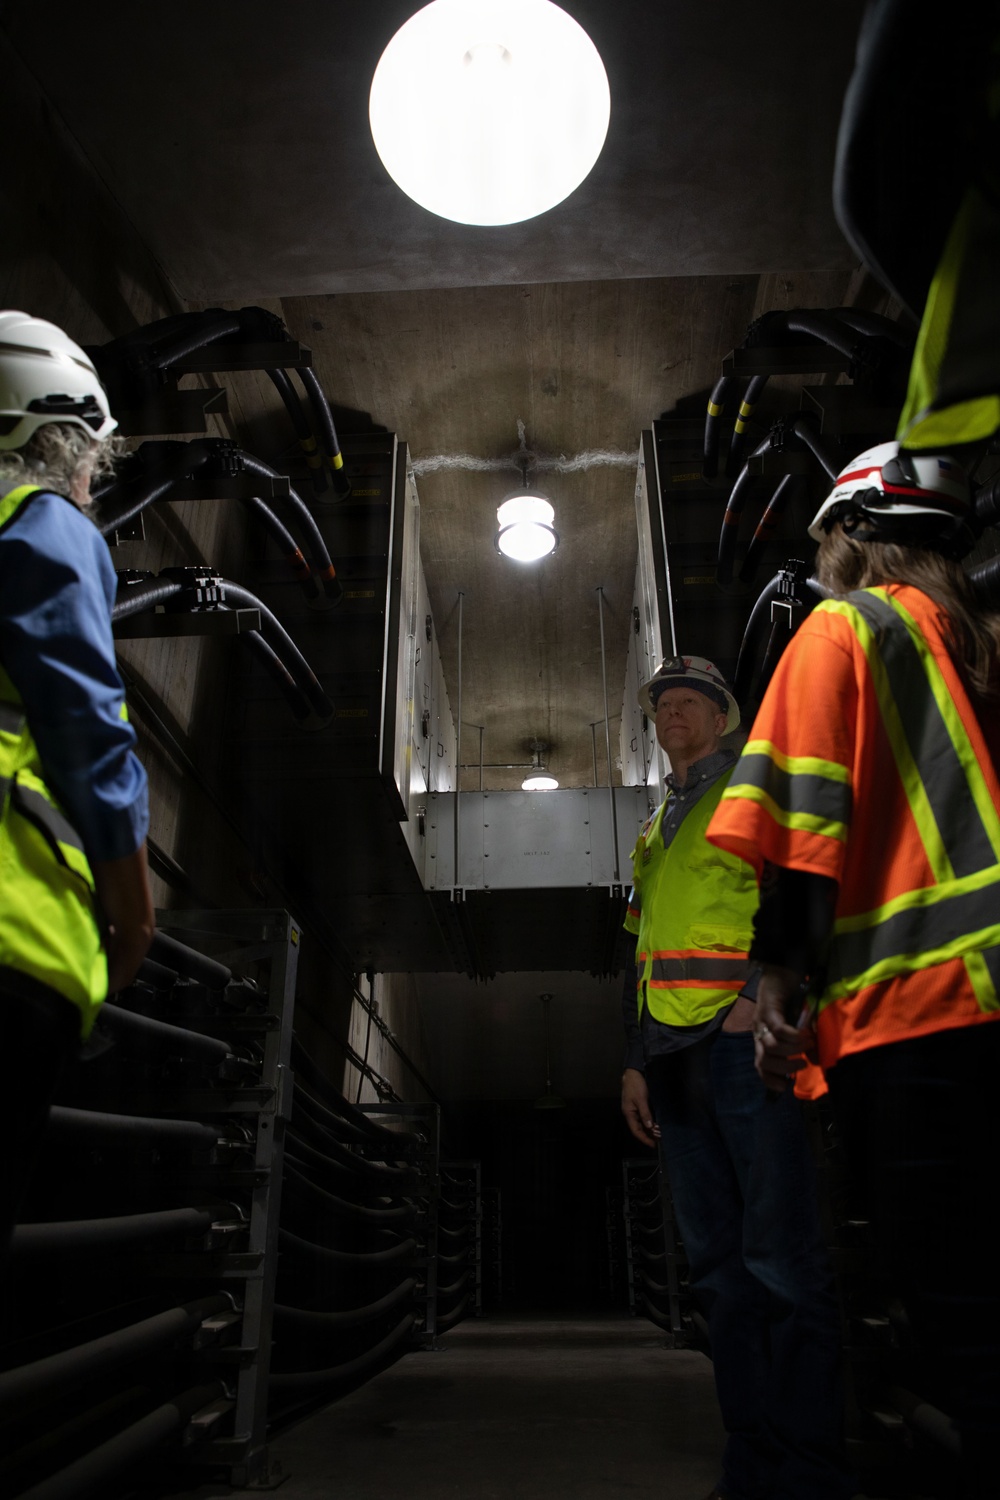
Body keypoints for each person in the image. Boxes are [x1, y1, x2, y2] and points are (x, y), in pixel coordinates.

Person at [707, 441, 1000, 1498]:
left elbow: (801, 831)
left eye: (827, 538)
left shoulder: (846, 627)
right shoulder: (975, 644)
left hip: (923, 1017)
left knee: (957, 1324)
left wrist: (776, 989)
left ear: (852, 532)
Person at [621, 655, 853, 1500]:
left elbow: (807, 885)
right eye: (661, 703)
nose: (671, 711)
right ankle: (752, 1463)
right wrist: (634, 1061)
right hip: (675, 1061)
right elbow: (641, 954)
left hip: (744, 1046)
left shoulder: (755, 789)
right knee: (718, 1271)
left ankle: (812, 1470)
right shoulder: (657, 827)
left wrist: (765, 991)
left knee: (781, 1260)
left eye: (688, 700)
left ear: (722, 717)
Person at [0, 309, 154, 1260]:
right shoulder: (41, 519)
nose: (94, 486)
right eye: (93, 458)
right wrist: (132, 909)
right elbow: (83, 714)